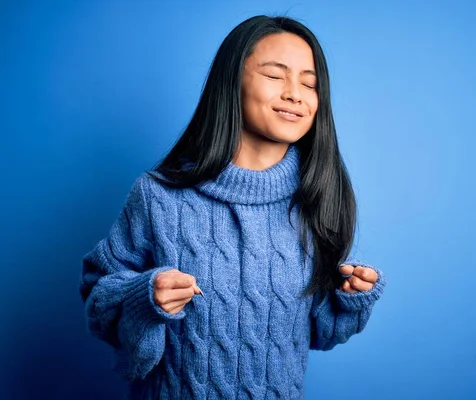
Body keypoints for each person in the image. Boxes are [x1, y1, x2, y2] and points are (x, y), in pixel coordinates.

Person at [79, 14, 386, 399]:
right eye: (276, 75)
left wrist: (350, 298)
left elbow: (319, 334)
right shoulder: (158, 195)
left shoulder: (318, 198)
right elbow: (98, 299)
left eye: (310, 83)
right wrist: (145, 297)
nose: (295, 93)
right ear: (232, 82)